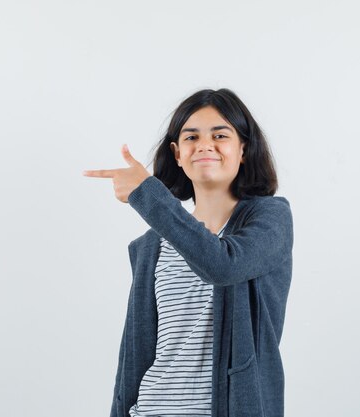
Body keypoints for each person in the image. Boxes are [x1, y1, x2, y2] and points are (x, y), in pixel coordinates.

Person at [83, 88, 294, 417]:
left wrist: (146, 194)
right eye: (191, 136)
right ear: (177, 154)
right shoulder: (148, 248)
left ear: (243, 149)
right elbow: (134, 356)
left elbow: (222, 264)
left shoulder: (270, 220)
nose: (204, 145)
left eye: (220, 135)